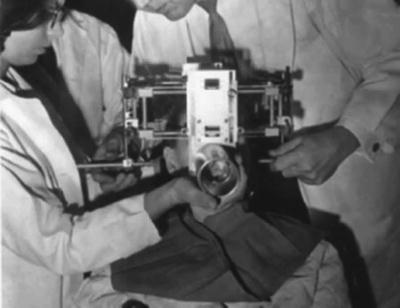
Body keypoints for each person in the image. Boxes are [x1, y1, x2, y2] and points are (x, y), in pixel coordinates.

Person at [79, 0, 400, 308]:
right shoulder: (152, 19)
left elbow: (392, 54)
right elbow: (154, 108)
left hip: (341, 198)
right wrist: (128, 144)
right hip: (246, 227)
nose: (140, 3)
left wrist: (344, 137)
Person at [0, 0, 217, 308]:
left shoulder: (13, 81)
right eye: (49, 13)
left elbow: (50, 189)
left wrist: (108, 171)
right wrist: (168, 195)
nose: (55, 32)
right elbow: (61, 242)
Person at [76, 113, 349, 308]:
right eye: (198, 136)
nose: (216, 152)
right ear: (171, 160)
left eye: (228, 137)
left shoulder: (313, 254)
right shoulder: (123, 261)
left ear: (244, 156)